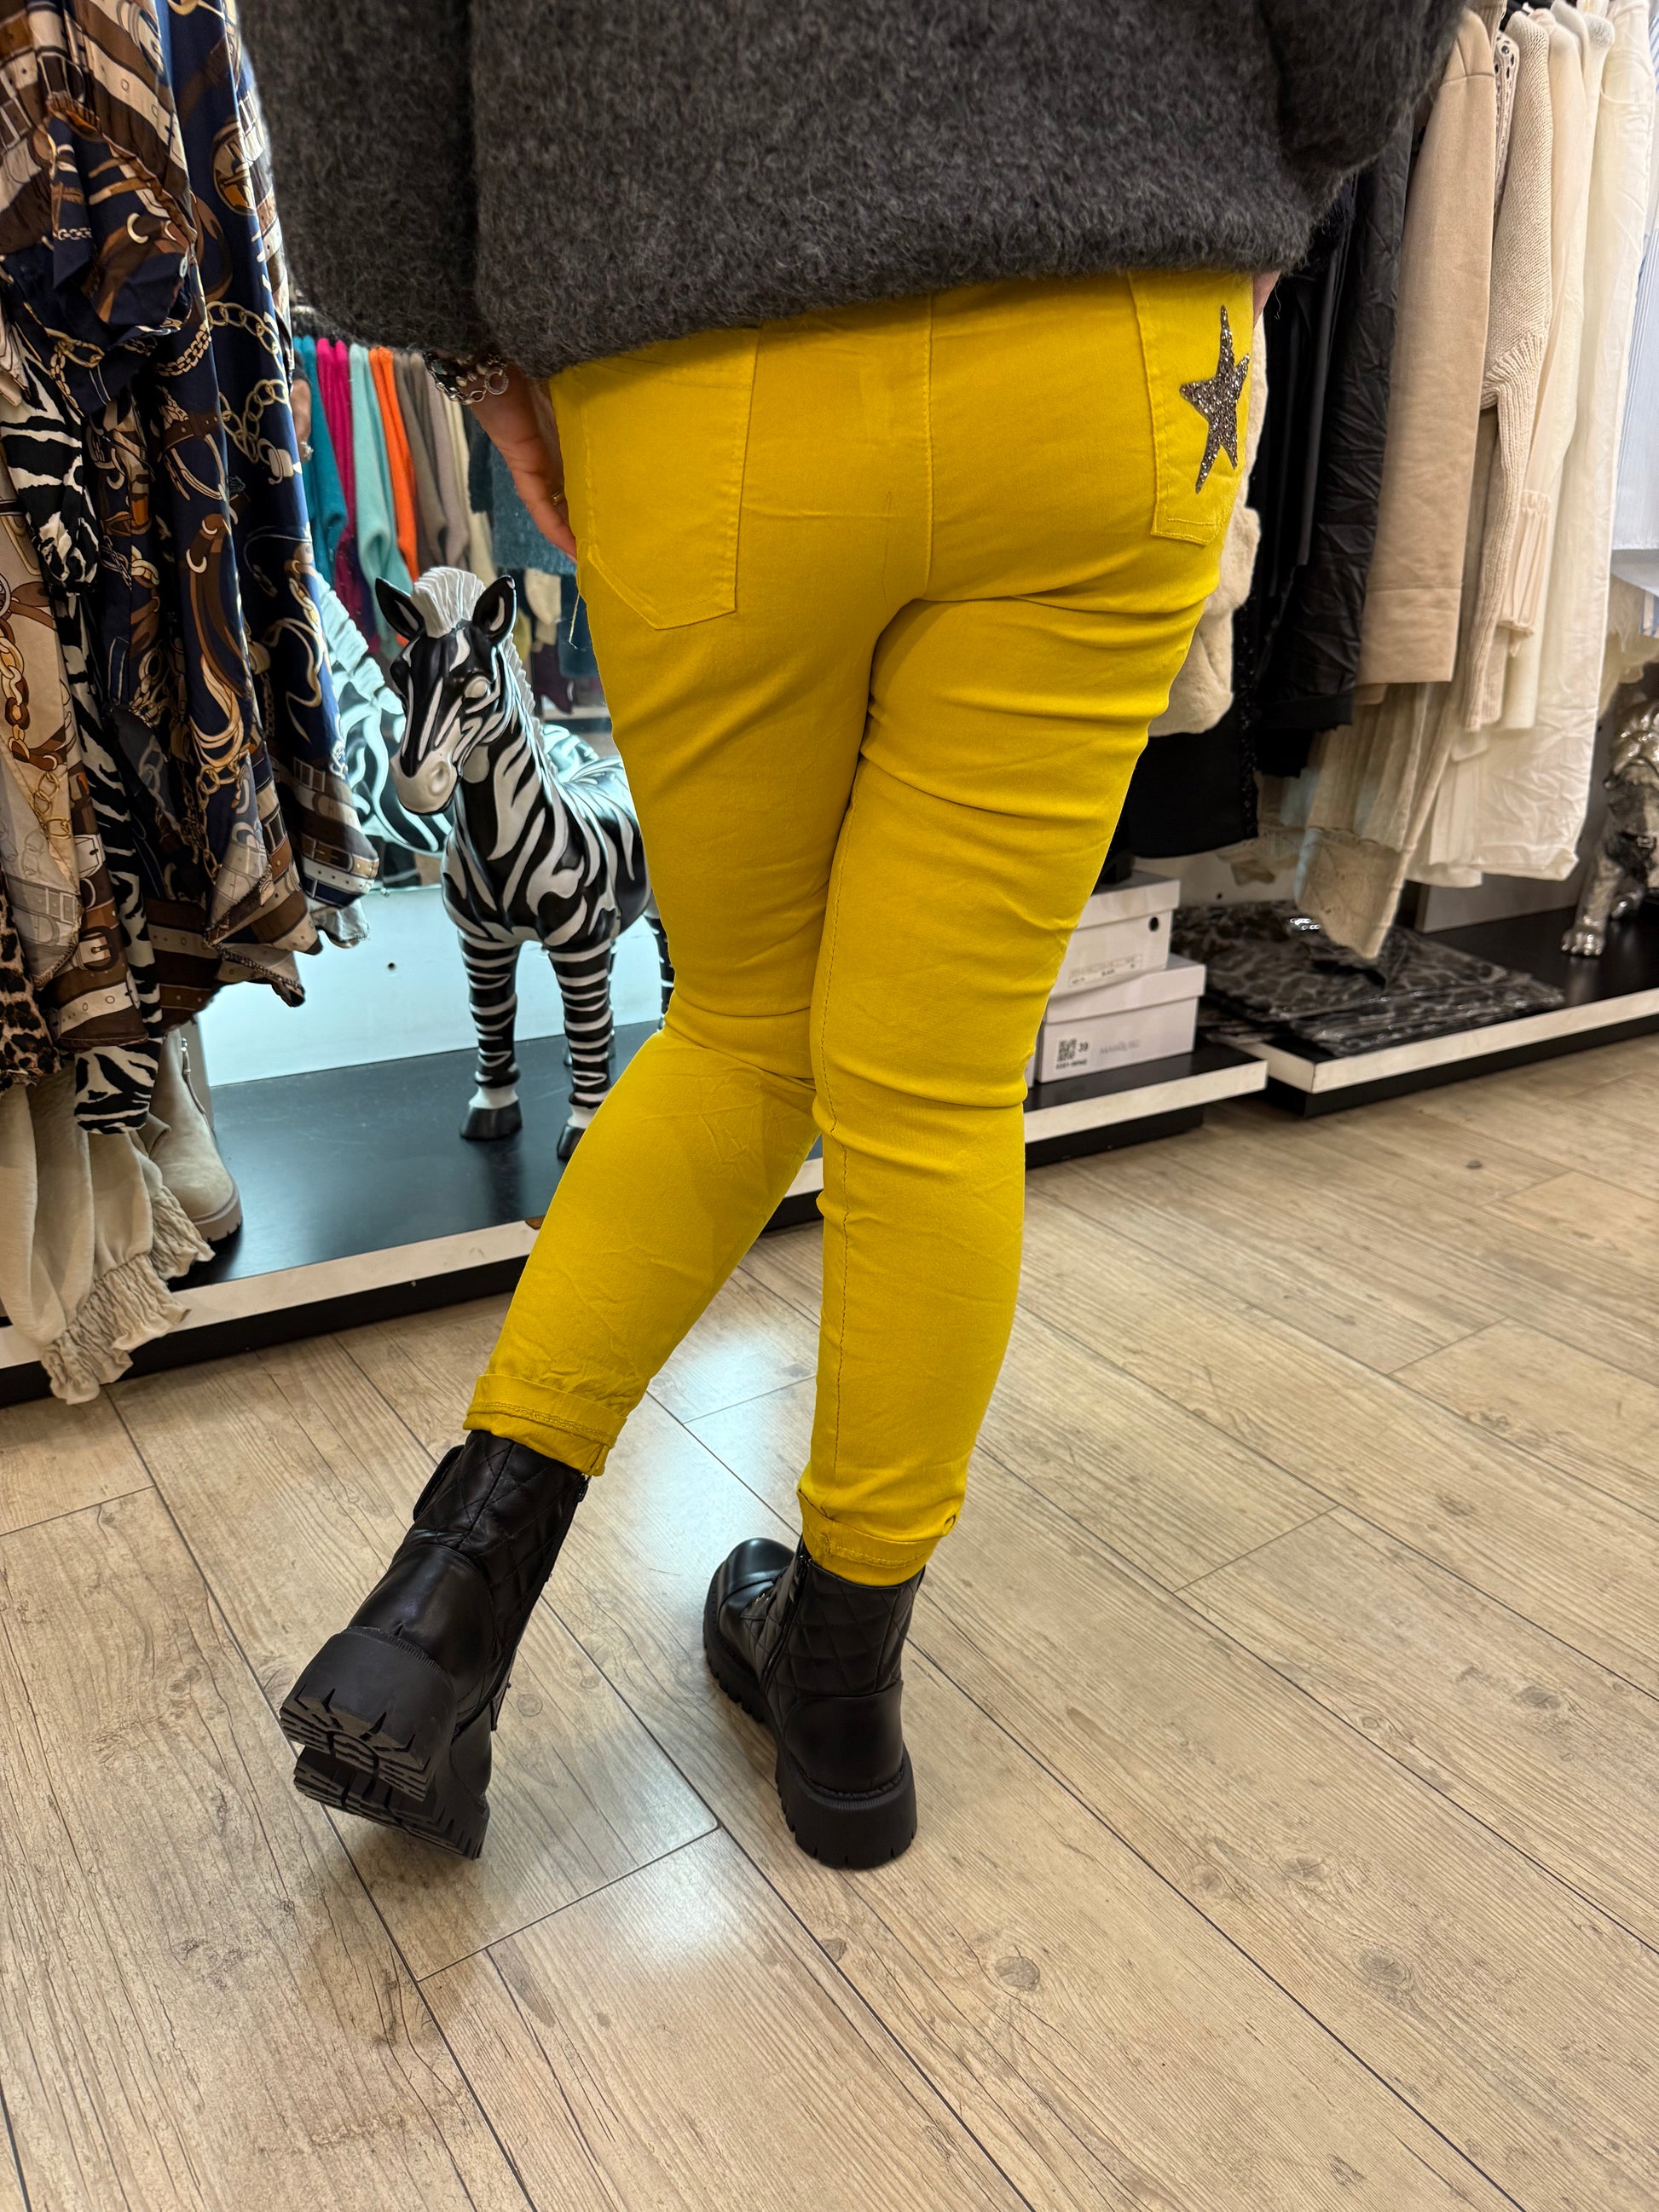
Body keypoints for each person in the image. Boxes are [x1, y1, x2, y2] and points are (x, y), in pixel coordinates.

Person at [246, 0, 1466, 1868]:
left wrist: (460, 332)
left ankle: (437, 1613)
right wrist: (1265, 166)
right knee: (936, 1076)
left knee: (740, 1026)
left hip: (687, 333)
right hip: (1117, 331)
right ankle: (839, 1709)